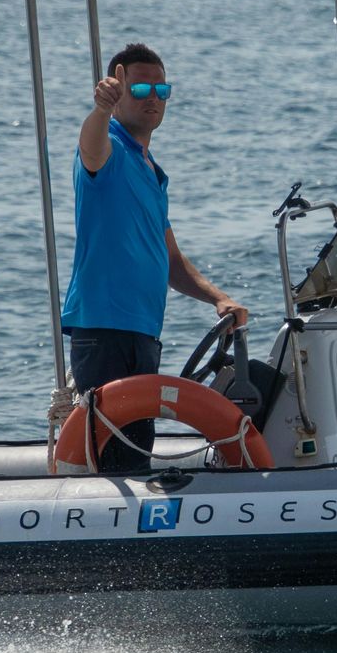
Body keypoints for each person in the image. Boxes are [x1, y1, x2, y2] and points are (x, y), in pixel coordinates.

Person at [62, 42, 247, 472]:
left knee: (135, 450)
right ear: (119, 89)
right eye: (141, 88)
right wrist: (100, 110)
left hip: (143, 330)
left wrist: (219, 298)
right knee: (112, 456)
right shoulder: (107, 146)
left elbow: (172, 263)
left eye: (161, 90)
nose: (153, 98)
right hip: (103, 328)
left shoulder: (151, 170)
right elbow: (90, 147)